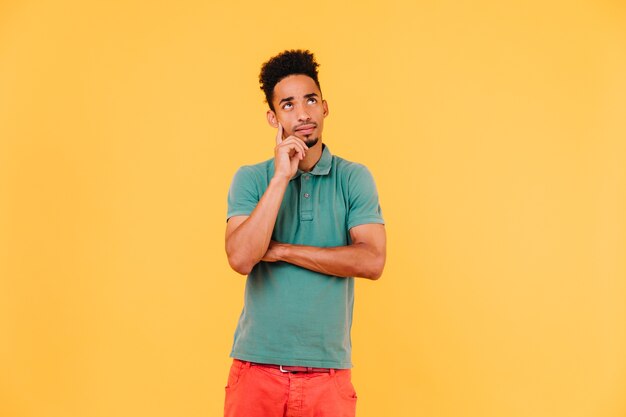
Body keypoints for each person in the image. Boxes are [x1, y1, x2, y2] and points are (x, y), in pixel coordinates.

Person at [223, 49, 386, 417]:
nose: (303, 114)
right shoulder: (252, 178)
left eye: (310, 100)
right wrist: (282, 176)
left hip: (327, 376)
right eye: (289, 105)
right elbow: (241, 257)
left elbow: (372, 259)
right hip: (256, 370)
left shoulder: (353, 178)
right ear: (273, 117)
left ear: (325, 107)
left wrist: (281, 251)